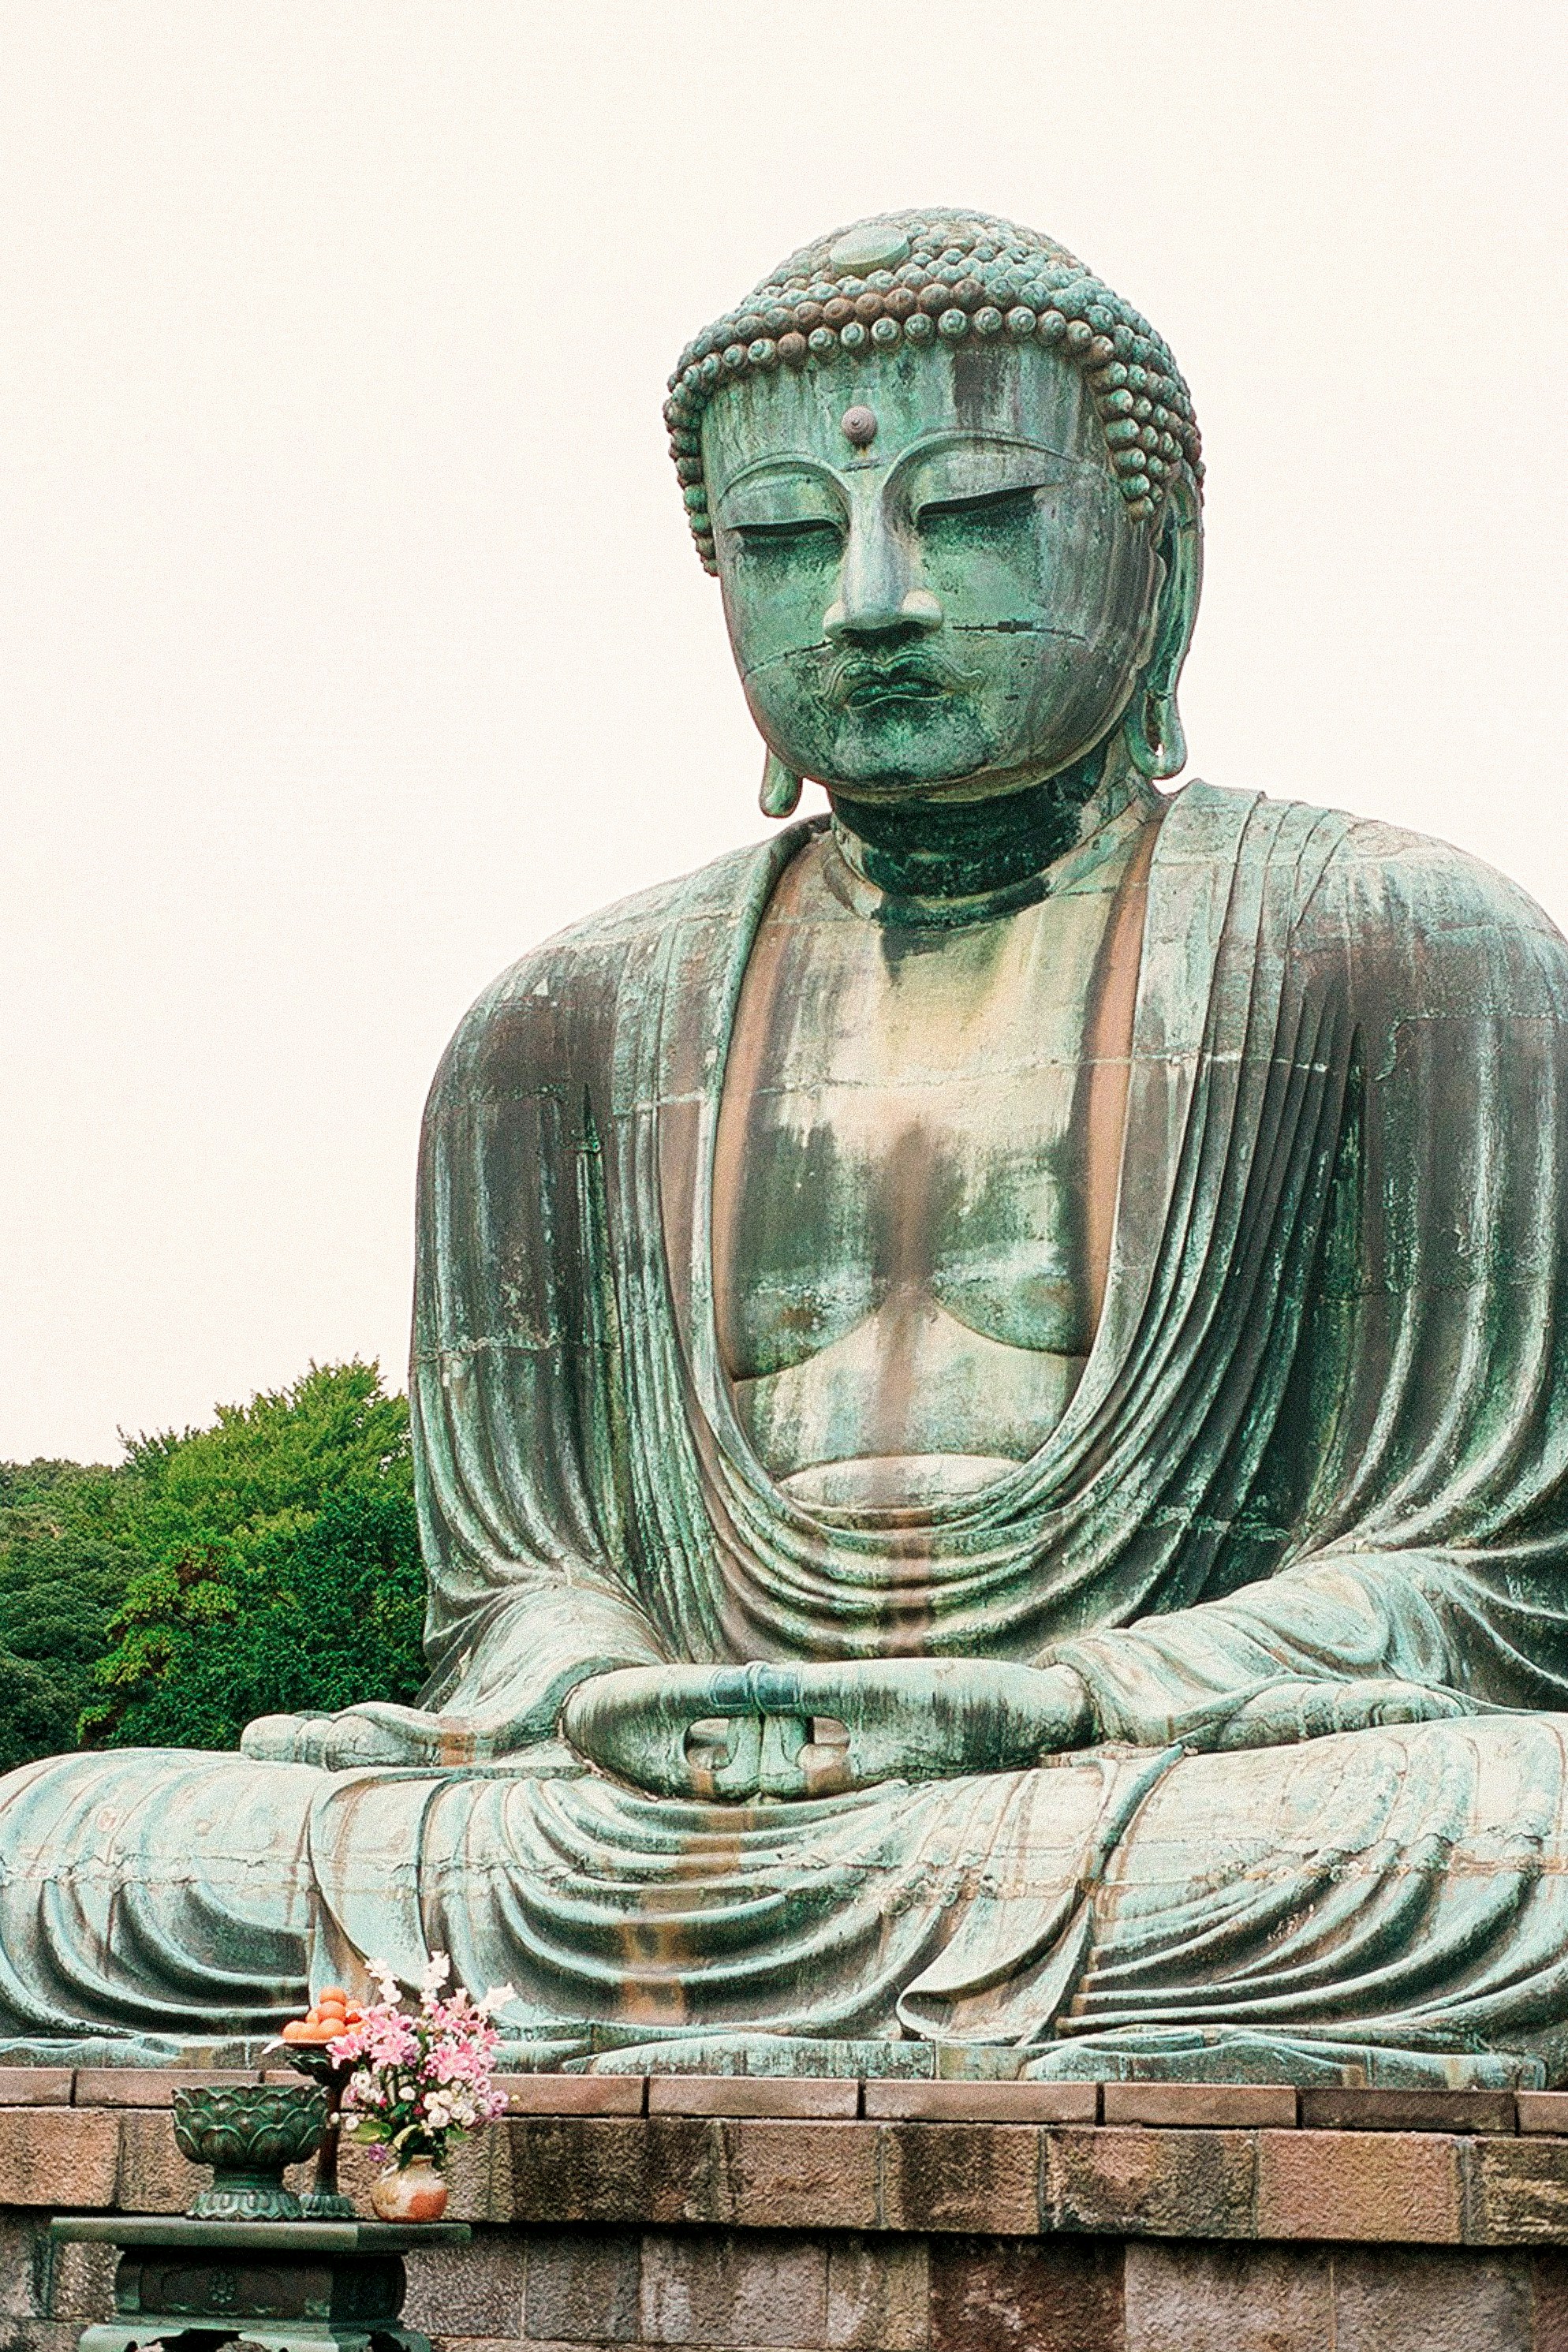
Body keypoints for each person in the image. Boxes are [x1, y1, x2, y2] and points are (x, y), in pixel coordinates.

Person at [6, 209, 1568, 2088]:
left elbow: (1473, 1578)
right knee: (59, 1853)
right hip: (634, 1827)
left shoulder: (1405, 950)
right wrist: (598, 1692)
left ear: (1160, 565)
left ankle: (556, 2030)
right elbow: (519, 1589)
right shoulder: (557, 1028)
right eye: (782, 540)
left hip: (1134, 1795)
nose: (871, 600)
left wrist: (1057, 1696)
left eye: (969, 513)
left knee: (1520, 1840)